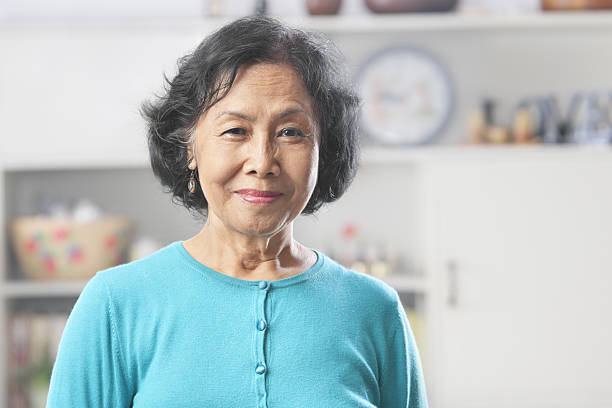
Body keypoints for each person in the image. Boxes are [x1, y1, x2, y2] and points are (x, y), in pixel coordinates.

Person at [46, 15, 429, 407]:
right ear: (189, 147)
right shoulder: (115, 305)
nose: (262, 162)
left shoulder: (374, 309)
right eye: (235, 131)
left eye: (291, 132)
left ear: (323, 151)